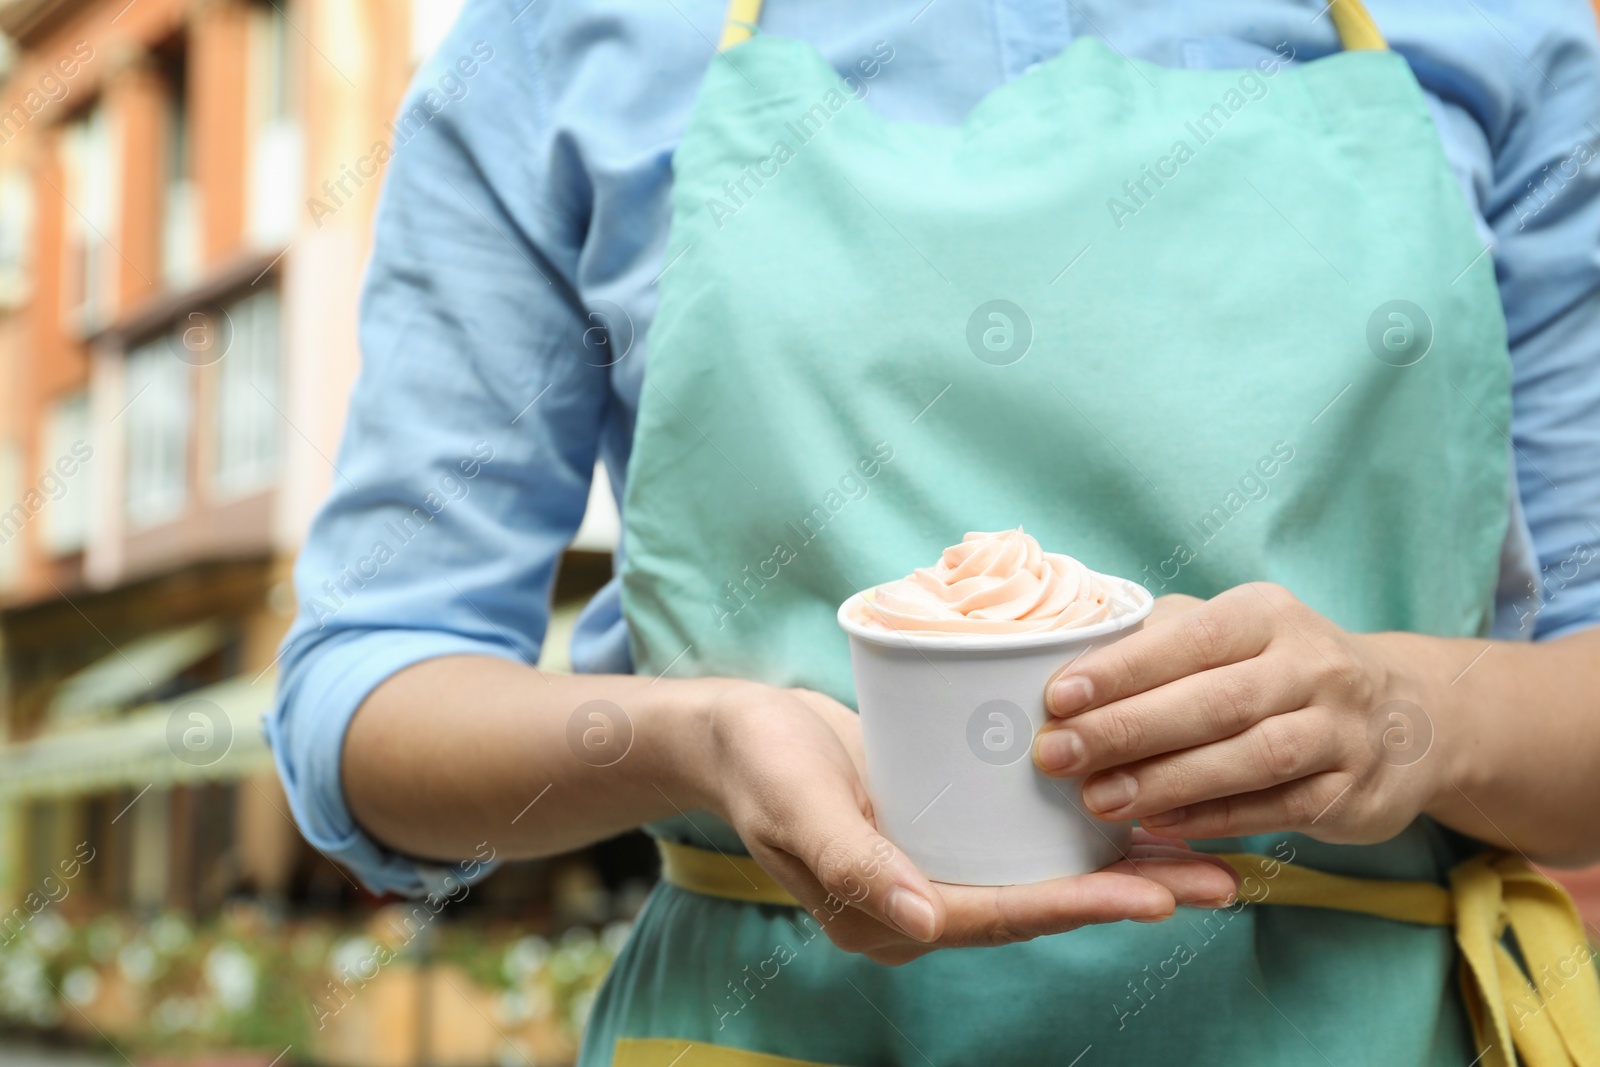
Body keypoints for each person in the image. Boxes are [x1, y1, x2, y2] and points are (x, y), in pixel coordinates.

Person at [268, 0, 1600, 1063]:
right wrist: (694, 738)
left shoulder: (1506, 36)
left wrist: (1408, 713)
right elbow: (368, 694)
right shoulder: (556, 42)